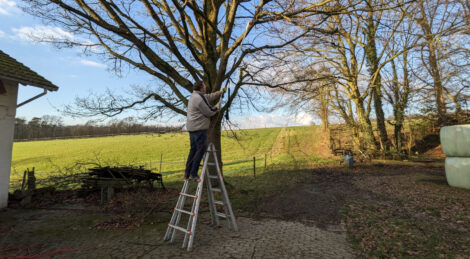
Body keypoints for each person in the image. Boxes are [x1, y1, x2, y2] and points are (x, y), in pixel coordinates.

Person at [184, 81, 226, 180]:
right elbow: (209, 112)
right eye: (204, 86)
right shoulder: (198, 99)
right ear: (201, 88)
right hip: (199, 129)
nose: (206, 87)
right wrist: (216, 108)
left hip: (192, 128)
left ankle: (187, 173)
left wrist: (220, 92)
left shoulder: (196, 96)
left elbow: (209, 96)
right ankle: (193, 173)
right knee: (200, 150)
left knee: (193, 150)